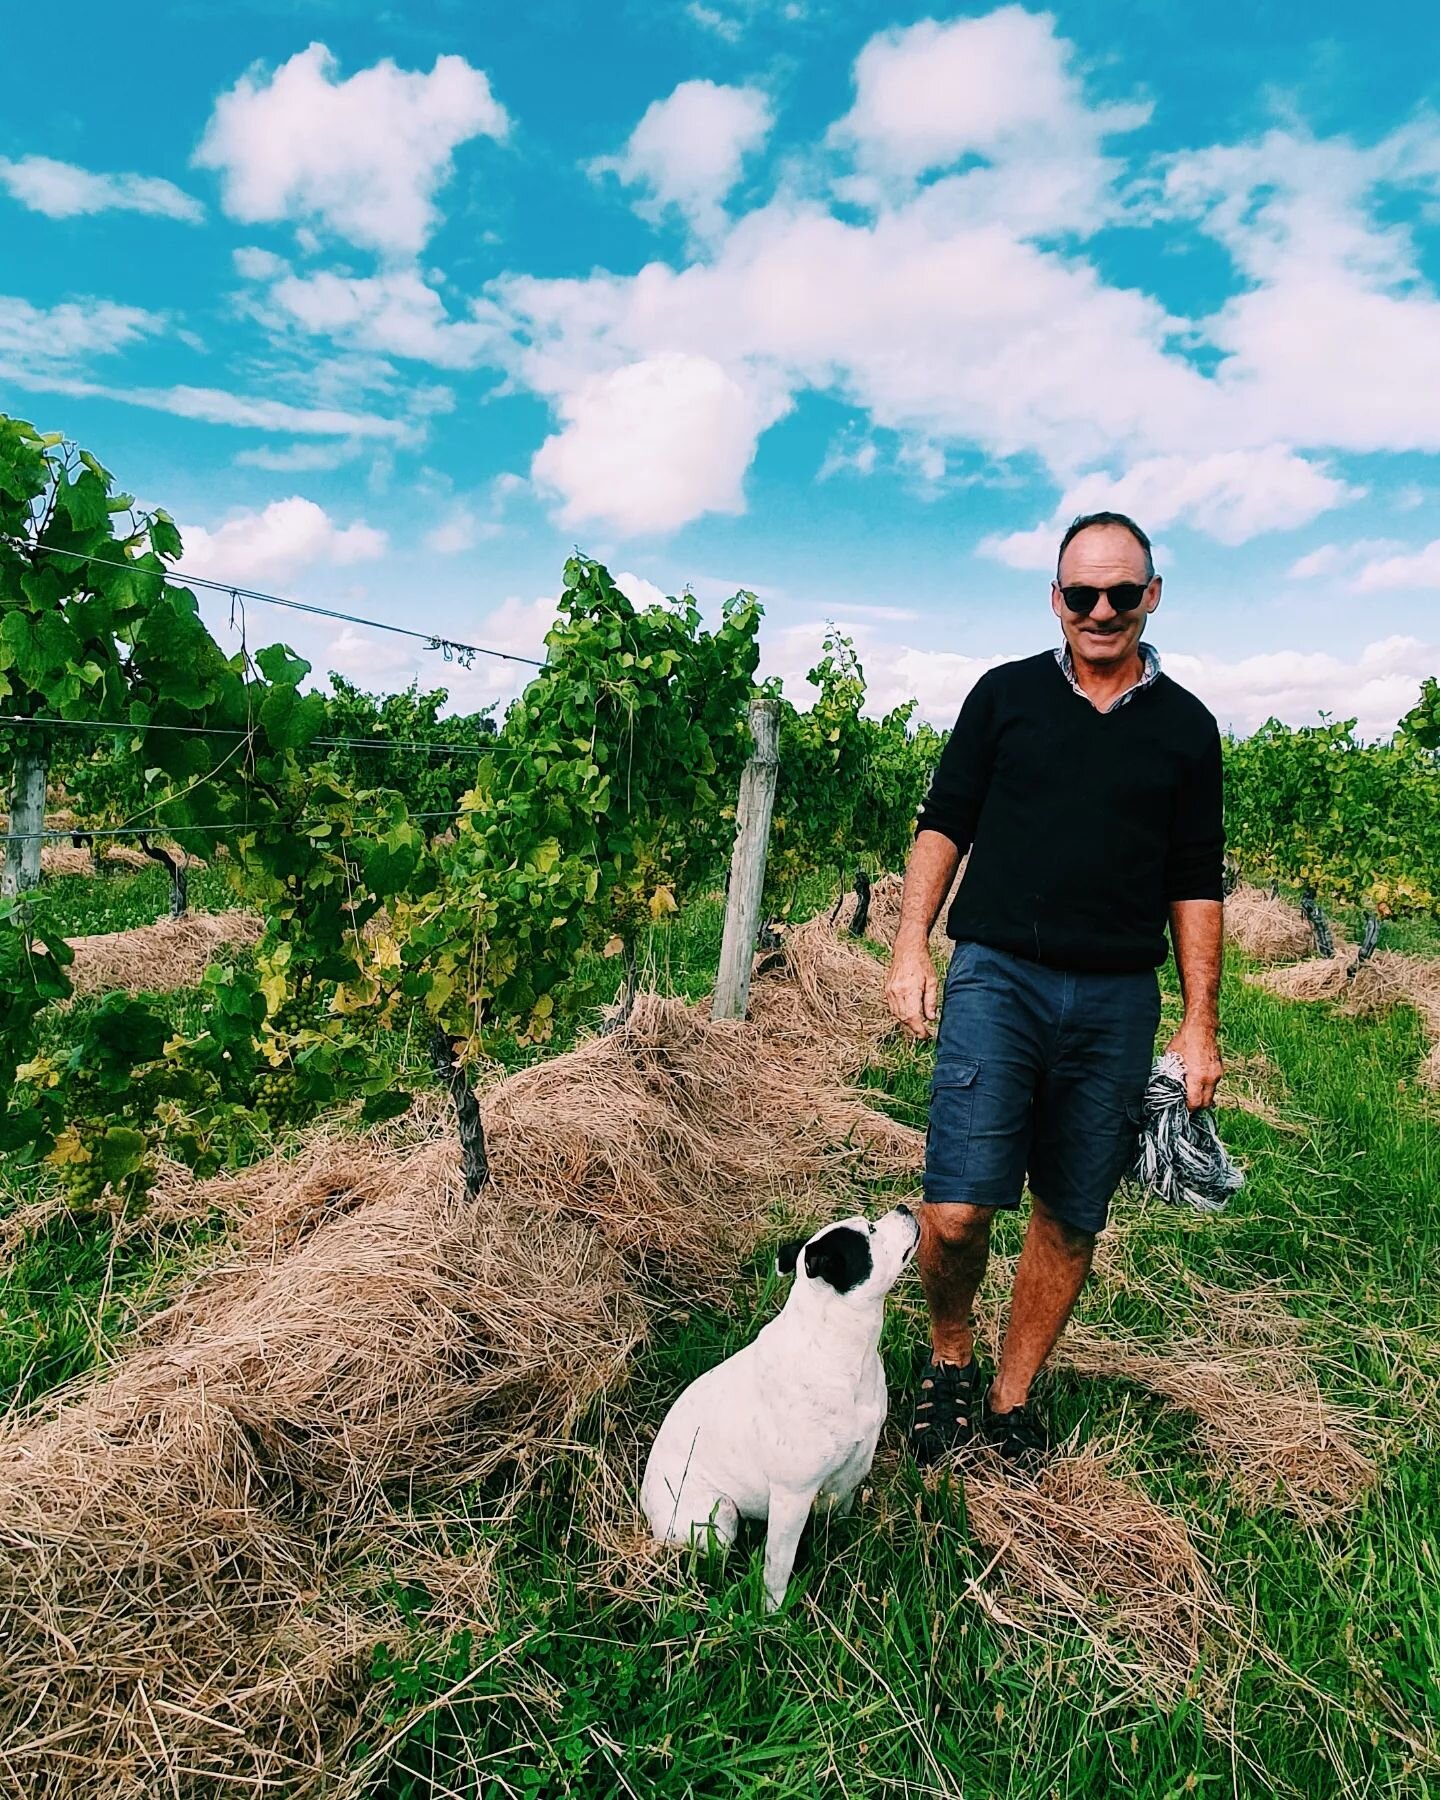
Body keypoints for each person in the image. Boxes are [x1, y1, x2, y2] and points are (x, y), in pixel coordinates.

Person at [884, 510, 1225, 1467]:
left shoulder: (1188, 730)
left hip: (1119, 998)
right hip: (998, 975)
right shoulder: (1005, 698)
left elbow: (1196, 880)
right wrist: (911, 947)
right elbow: (943, 823)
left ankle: (1009, 1398)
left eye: (1123, 592)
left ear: (1153, 596)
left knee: (1072, 1214)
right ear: (1056, 600)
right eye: (1084, 594)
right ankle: (950, 1359)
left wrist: (1201, 1021)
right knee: (956, 1210)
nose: (1103, 609)